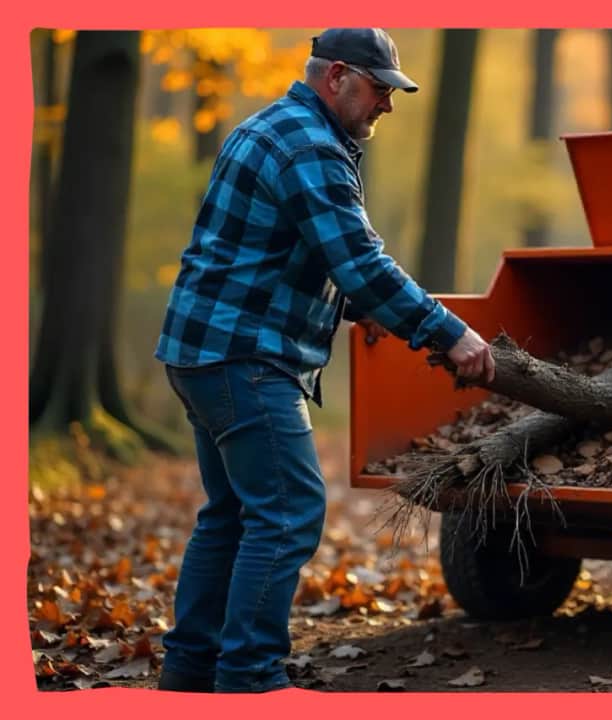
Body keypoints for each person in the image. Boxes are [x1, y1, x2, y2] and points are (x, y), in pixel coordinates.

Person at [154, 28, 495, 693]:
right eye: (379, 90)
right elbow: (361, 261)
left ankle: (190, 670)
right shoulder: (310, 146)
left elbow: (271, 251)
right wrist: (450, 333)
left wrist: (346, 304)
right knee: (287, 513)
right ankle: (249, 679)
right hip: (244, 355)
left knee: (230, 515)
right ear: (336, 76)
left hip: (201, 347)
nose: (386, 107)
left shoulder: (270, 128)